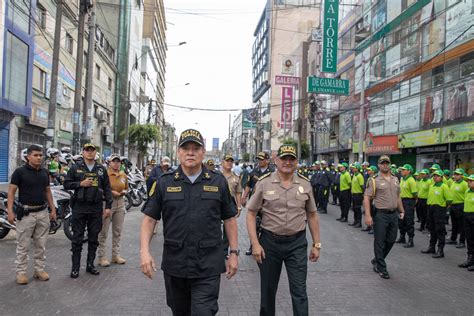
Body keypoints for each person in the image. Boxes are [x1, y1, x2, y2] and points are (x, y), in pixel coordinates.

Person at [140, 129, 238, 315]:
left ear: (203, 152)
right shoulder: (164, 182)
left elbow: (230, 219)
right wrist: (144, 252)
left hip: (208, 265)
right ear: (178, 152)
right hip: (175, 265)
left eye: (195, 148)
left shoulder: (218, 182)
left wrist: (233, 253)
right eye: (185, 148)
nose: (190, 152)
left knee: (203, 311)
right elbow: (150, 219)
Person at [246, 144, 321, 315]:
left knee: (299, 292)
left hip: (297, 244)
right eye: (284, 158)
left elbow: (312, 215)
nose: (287, 162)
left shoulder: (305, 183)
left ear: (296, 162)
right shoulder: (264, 183)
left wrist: (317, 244)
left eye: (291, 159)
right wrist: (255, 244)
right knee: (267, 292)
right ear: (276, 160)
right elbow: (251, 214)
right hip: (269, 244)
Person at [7, 145, 56, 285]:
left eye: (40, 155)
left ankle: (39, 270)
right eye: (35, 155)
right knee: (23, 245)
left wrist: (52, 209)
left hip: (42, 212)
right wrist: (10, 211)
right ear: (28, 156)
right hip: (26, 214)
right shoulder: (19, 172)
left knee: (41, 244)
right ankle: (21, 272)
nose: (39, 157)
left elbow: (47, 191)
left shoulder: (44, 172)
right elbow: (11, 192)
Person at [64, 143, 113, 278]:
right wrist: (80, 184)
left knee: (93, 238)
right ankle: (75, 268)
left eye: (92, 150)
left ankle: (90, 265)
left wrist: (108, 206)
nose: (90, 153)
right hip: (79, 207)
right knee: (77, 238)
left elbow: (107, 189)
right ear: (83, 152)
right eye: (87, 150)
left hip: (96, 208)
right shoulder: (75, 168)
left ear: (95, 153)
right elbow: (66, 184)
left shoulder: (101, 169)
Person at [364, 155, 405, 279]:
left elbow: (398, 196)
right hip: (380, 214)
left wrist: (401, 210)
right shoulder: (373, 180)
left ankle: (377, 259)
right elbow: (367, 198)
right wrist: (368, 215)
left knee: (391, 240)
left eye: (387, 163)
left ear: (390, 164)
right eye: (383, 163)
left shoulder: (395, 179)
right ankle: (382, 267)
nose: (385, 165)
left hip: (393, 214)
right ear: (379, 165)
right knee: (380, 241)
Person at [97, 154, 128, 267]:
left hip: (120, 203)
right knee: (103, 232)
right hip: (108, 204)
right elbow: (100, 189)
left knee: (117, 232)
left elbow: (125, 187)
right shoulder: (105, 174)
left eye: (118, 161)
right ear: (109, 163)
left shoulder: (123, 174)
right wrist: (110, 192)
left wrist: (124, 191)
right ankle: (102, 257)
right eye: (113, 161)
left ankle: (116, 255)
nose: (116, 163)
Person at [242, 151, 274, 256]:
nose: (260, 161)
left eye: (262, 159)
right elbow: (248, 185)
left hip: (268, 203)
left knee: (267, 226)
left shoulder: (273, 172)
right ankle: (253, 246)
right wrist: (244, 197)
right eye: (259, 159)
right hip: (255, 203)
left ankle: (266, 247)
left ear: (267, 160)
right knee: (254, 225)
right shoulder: (254, 171)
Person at [421, 170, 453, 258]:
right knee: (432, 228)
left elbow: (449, 200)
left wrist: (443, 208)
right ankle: (432, 247)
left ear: (442, 177)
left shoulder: (444, 186)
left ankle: (440, 250)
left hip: (439, 209)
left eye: (437, 176)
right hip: (431, 208)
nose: (435, 177)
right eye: (434, 176)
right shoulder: (432, 186)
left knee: (440, 230)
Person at [221, 154, 242, 257]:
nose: (229, 163)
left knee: (227, 229)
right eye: (227, 160)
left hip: (230, 204)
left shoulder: (236, 177)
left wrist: (239, 206)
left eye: (231, 161)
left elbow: (238, 193)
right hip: (217, 204)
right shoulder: (216, 175)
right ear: (222, 162)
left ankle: (224, 251)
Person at [396, 164, 418, 248]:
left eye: (404, 170)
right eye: (402, 170)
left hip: (408, 201)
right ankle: (402, 237)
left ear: (408, 171)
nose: (402, 171)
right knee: (401, 220)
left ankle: (410, 239)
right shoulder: (402, 179)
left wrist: (413, 201)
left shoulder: (411, 180)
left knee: (409, 220)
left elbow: (415, 193)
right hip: (401, 201)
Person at [447, 169, 468, 248]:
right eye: (455, 174)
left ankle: (462, 241)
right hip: (453, 205)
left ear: (462, 175)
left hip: (460, 205)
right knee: (454, 224)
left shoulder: (464, 184)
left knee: (461, 225)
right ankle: (453, 239)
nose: (455, 176)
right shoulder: (453, 183)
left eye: (457, 174)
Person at [458, 174, 474, 271]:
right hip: (467, 217)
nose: (468, 183)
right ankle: (470, 260)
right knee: (469, 239)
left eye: (471, 181)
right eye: (468, 181)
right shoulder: (467, 191)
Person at [349, 163, 364, 228]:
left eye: (354, 168)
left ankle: (359, 222)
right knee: (354, 209)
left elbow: (362, 186)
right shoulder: (354, 175)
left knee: (358, 208)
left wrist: (362, 194)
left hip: (358, 194)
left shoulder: (359, 176)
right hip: (354, 194)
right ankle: (355, 221)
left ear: (357, 169)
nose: (353, 169)